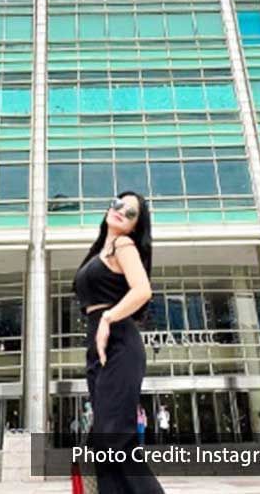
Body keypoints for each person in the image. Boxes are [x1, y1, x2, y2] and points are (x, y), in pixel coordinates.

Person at [72, 191, 165, 493]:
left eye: (131, 212)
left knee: (116, 439)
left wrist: (109, 318)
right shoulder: (101, 250)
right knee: (105, 444)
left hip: (119, 341)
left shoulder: (123, 244)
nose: (121, 211)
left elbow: (142, 290)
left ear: (135, 227)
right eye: (118, 203)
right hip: (98, 343)